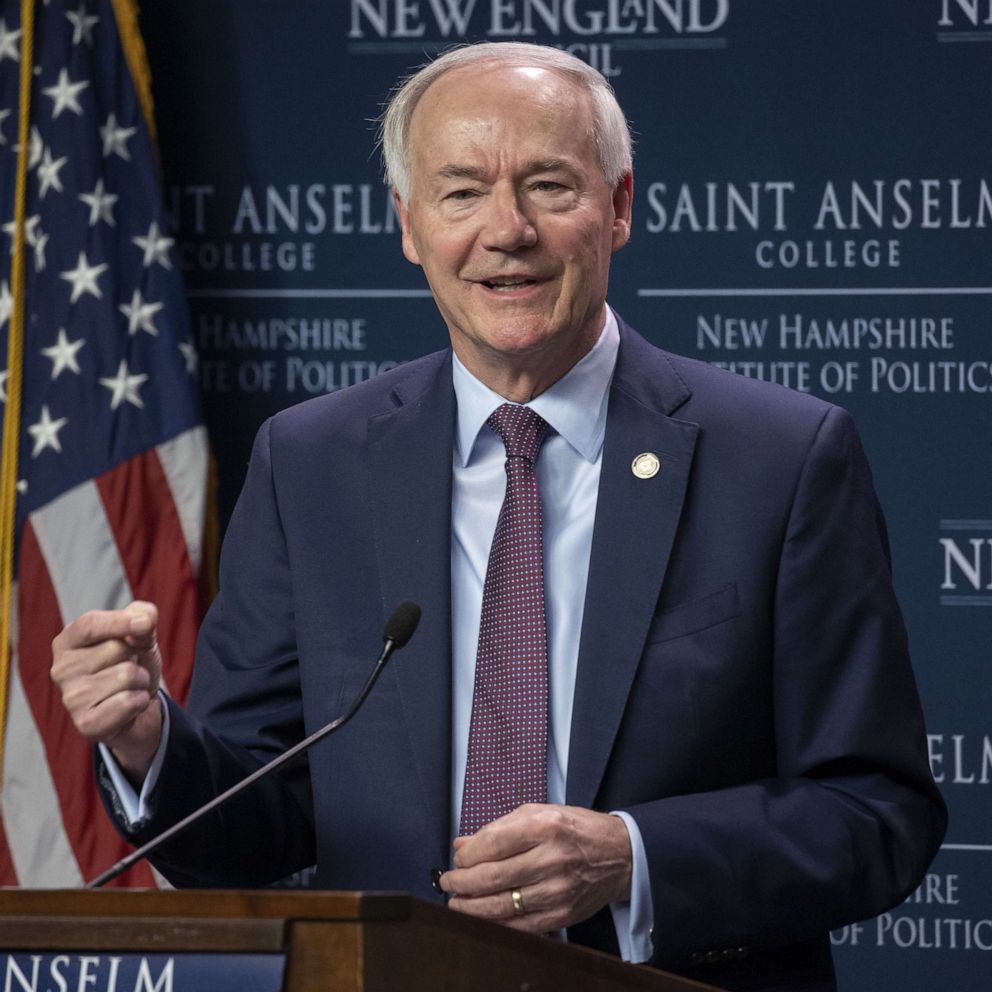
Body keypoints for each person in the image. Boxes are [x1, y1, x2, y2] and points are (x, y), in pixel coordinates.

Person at [52, 42, 945, 991]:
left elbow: (877, 814)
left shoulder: (783, 458)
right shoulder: (311, 463)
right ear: (408, 224)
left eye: (550, 187)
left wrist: (633, 860)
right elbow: (256, 821)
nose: (505, 230)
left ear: (620, 206)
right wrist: (151, 745)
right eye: (462, 191)